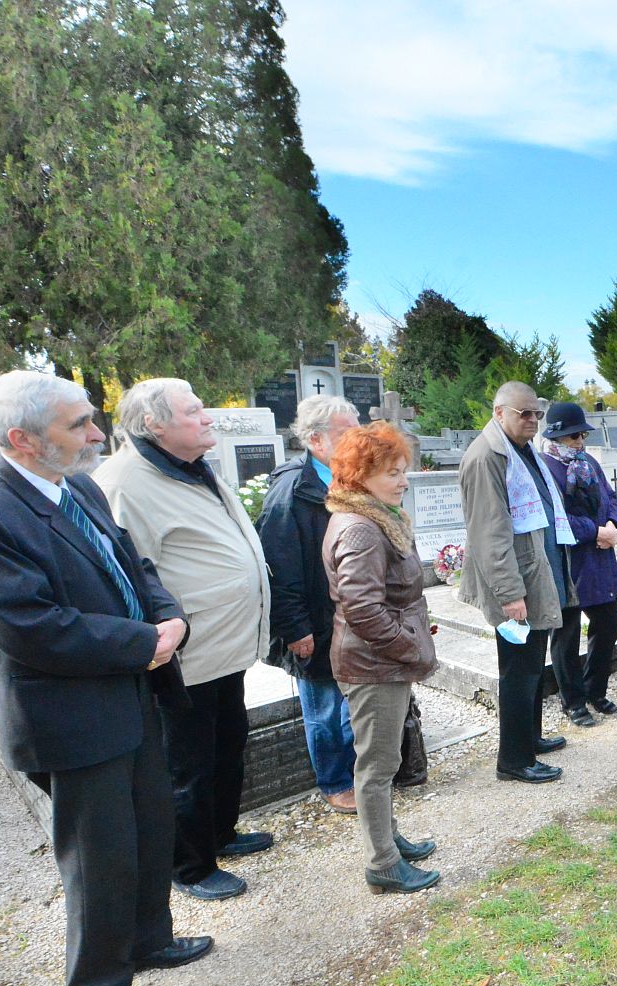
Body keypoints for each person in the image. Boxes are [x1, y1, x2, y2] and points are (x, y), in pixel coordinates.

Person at [0, 371, 209, 986]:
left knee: (150, 830)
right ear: (22, 440)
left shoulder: (78, 486)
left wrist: (168, 618)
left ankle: (151, 940)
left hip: (131, 692)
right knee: (99, 856)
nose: (96, 435)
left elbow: (132, 566)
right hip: (72, 713)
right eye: (78, 425)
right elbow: (27, 624)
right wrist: (142, 641)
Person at [93, 379, 273, 902]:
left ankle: (220, 833)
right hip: (185, 653)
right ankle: (190, 866)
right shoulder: (126, 481)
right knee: (187, 763)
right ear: (155, 425)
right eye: (194, 411)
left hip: (225, 645)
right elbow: (129, 575)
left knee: (227, 743)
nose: (208, 417)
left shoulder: (191, 464)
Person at [321, 422, 441, 894]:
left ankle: (388, 838)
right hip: (373, 664)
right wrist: (409, 646)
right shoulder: (361, 529)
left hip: (380, 660)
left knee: (383, 759)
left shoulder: (372, 517)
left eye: (403, 471)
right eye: (393, 472)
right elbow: (363, 608)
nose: (404, 480)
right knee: (376, 766)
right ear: (361, 474)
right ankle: (383, 862)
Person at [457, 382, 576, 784]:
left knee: (532, 664)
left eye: (536, 414)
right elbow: (489, 533)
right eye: (523, 413)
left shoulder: (521, 450)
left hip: (535, 571)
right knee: (518, 670)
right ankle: (513, 759)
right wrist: (510, 594)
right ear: (499, 412)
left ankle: (530, 738)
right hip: (515, 584)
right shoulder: (485, 456)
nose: (532, 420)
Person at [256, 395, 361, 813]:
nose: (356, 438)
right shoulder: (293, 490)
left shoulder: (349, 479)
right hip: (314, 624)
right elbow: (280, 566)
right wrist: (296, 629)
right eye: (345, 432)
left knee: (352, 706)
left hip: (348, 620)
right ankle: (335, 782)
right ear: (316, 440)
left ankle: (359, 775)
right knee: (323, 708)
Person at [539, 401, 617, 727]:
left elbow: (609, 497)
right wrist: (595, 531)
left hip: (599, 559)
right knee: (566, 634)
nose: (580, 442)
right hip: (570, 562)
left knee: (608, 624)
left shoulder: (589, 462)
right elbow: (554, 518)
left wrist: (614, 525)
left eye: (581, 435)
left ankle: (595, 690)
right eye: (573, 437)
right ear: (557, 437)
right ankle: (573, 701)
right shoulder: (547, 467)